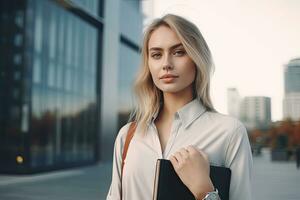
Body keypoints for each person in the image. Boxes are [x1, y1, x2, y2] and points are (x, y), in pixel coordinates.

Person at [106, 14, 253, 200]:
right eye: (156, 55)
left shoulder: (229, 132)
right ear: (148, 64)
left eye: (178, 52)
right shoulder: (127, 136)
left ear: (197, 58)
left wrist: (204, 190)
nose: (166, 64)